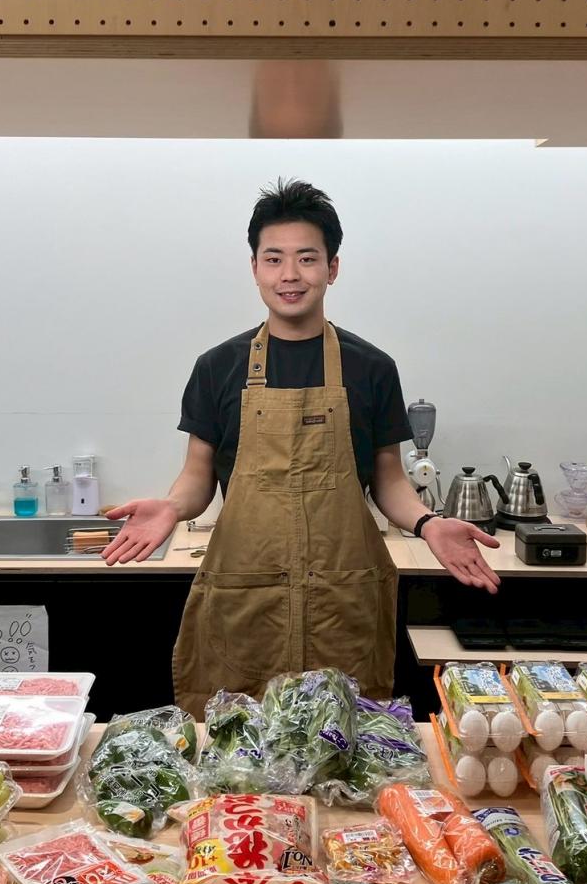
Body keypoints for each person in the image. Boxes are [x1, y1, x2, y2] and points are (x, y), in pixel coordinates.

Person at [101, 179, 500, 718]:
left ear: (332, 268)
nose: (290, 275)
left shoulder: (372, 368)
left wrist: (429, 523)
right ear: (255, 268)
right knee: (237, 744)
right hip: (247, 600)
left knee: (341, 739)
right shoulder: (217, 368)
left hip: (341, 601)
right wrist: (172, 507)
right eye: (274, 259)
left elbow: (388, 480)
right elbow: (198, 476)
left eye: (307, 258)